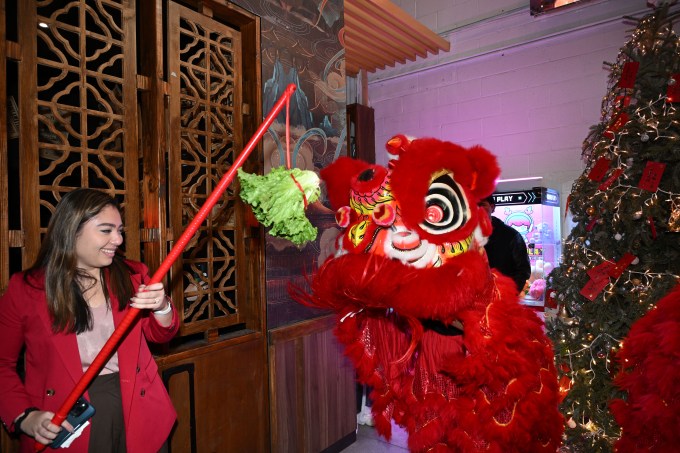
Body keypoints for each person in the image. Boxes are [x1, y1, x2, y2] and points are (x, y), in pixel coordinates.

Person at [0, 189, 179, 453]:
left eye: (119, 230)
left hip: (137, 407)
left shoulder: (132, 275)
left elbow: (160, 335)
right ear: (71, 231)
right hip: (69, 417)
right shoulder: (27, 290)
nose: (118, 239)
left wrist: (162, 307)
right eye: (106, 230)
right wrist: (25, 416)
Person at [478, 195, 531, 294]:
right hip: (474, 300)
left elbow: (523, 270)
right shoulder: (466, 235)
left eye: (482, 205)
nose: (477, 209)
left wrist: (509, 294)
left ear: (492, 207)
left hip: (502, 297)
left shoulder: (511, 235)